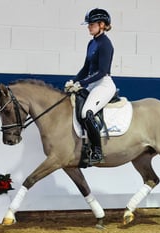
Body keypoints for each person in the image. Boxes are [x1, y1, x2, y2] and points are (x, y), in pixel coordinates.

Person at [65, 8, 117, 164]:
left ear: (102, 24)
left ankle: (97, 151)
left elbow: (101, 72)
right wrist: (73, 82)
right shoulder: (92, 43)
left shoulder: (106, 44)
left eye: (92, 24)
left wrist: (82, 83)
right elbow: (86, 68)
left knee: (87, 112)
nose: (89, 27)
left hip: (103, 84)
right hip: (92, 83)